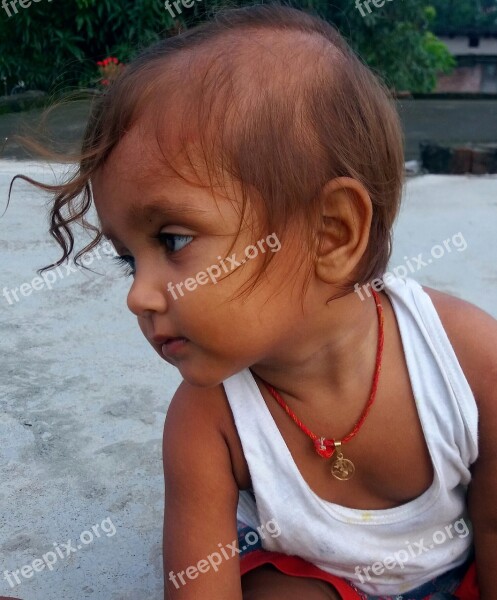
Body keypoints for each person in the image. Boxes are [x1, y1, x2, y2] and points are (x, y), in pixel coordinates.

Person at [17, 4, 496, 600]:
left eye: (173, 240)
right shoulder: (206, 423)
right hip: (308, 577)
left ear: (332, 232)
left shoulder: (467, 360)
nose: (138, 295)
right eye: (128, 258)